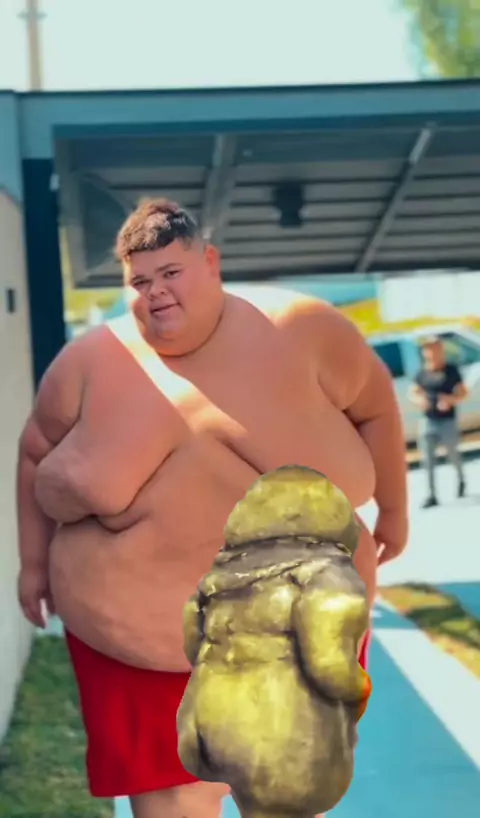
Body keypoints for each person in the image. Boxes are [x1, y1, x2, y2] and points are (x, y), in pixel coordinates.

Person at [16, 198, 408, 818]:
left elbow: (377, 406)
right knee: (173, 803)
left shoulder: (302, 328)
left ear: (210, 262)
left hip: (292, 643)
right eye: (141, 282)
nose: (156, 293)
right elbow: (34, 452)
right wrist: (34, 564)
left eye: (170, 273)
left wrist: (395, 512)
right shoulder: (90, 363)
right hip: (135, 651)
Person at [409, 336, 468, 509]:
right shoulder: (422, 373)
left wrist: (450, 400)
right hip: (428, 420)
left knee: (453, 454)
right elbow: (413, 392)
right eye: (428, 349)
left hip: (447, 420)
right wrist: (420, 400)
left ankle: (461, 480)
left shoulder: (451, 371)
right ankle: (431, 494)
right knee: (427, 458)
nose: (432, 352)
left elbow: (463, 393)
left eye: (435, 348)